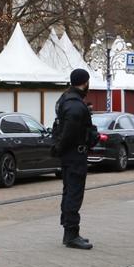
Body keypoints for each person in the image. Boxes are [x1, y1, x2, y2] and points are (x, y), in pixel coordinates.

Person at [53, 69, 98, 250]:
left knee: (69, 191)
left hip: (69, 154)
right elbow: (70, 130)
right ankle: (71, 234)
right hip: (75, 155)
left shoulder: (67, 99)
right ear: (85, 82)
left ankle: (70, 232)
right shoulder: (75, 105)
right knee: (74, 193)